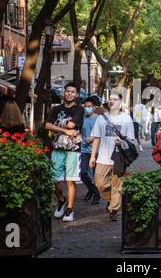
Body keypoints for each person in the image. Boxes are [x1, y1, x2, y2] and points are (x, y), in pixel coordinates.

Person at [89, 93, 135, 222]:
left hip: (119, 158)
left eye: (115, 99)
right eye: (110, 99)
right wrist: (93, 156)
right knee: (100, 183)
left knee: (117, 184)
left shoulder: (126, 118)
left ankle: (114, 209)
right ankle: (113, 200)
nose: (112, 101)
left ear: (121, 102)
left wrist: (123, 142)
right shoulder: (101, 118)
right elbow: (96, 138)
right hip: (103, 157)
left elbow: (131, 139)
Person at [45, 82, 85, 222]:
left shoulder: (79, 109)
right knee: (54, 179)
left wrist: (58, 125)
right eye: (67, 91)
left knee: (70, 180)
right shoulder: (56, 109)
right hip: (57, 147)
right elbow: (47, 125)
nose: (69, 94)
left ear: (77, 95)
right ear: (64, 93)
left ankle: (69, 209)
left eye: (72, 92)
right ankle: (61, 200)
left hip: (73, 149)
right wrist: (65, 130)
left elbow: (71, 124)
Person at [80, 95, 102, 205]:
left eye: (89, 106)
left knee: (95, 175)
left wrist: (92, 138)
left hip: (96, 150)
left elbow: (103, 133)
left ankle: (96, 195)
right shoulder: (82, 117)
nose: (87, 108)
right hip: (83, 149)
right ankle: (92, 189)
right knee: (82, 173)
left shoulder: (98, 118)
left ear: (94, 107)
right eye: (85, 106)